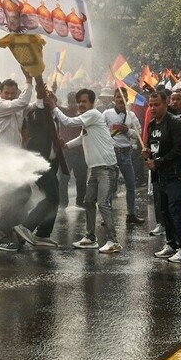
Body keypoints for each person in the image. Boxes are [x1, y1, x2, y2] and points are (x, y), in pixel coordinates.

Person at [51, 88, 123, 253]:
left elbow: (68, 122)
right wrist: (66, 145)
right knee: (89, 202)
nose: (81, 104)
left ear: (92, 103)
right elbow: (82, 137)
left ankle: (114, 241)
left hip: (106, 167)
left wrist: (54, 106)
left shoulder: (93, 114)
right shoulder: (88, 120)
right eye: (79, 102)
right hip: (95, 168)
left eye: (84, 101)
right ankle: (90, 238)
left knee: (102, 203)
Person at [0, 74, 34, 251]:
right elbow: (22, 102)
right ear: (1, 94)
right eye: (7, 93)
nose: (10, 96)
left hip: (11, 160)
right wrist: (29, 82)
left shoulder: (16, 109)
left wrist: (44, 96)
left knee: (22, 192)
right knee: (7, 194)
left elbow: (32, 106)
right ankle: (2, 236)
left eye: (13, 93)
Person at [144, 91, 181, 263]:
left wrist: (159, 162)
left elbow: (180, 149)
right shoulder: (151, 125)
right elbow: (152, 147)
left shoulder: (175, 123)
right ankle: (171, 244)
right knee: (164, 210)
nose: (153, 108)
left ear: (165, 104)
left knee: (176, 210)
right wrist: (147, 154)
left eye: (157, 105)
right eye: (151, 105)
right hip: (159, 175)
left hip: (176, 174)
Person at [13, 88, 61, 248]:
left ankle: (43, 233)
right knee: (53, 197)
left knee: (54, 197)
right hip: (38, 162)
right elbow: (39, 111)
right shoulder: (36, 115)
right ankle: (26, 226)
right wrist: (41, 98)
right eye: (45, 98)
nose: (49, 100)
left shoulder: (56, 116)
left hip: (51, 162)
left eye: (51, 97)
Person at [103, 87, 145, 224]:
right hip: (112, 152)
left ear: (127, 99)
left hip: (126, 154)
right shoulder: (107, 114)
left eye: (123, 97)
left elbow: (138, 134)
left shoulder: (131, 115)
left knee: (131, 185)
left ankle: (131, 214)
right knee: (110, 186)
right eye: (118, 97)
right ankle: (107, 216)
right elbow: (101, 131)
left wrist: (127, 130)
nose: (121, 100)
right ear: (114, 99)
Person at [57, 91, 88, 209]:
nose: (75, 105)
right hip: (66, 152)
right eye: (72, 102)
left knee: (81, 178)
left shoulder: (84, 114)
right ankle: (63, 204)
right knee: (64, 179)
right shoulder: (63, 112)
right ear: (68, 102)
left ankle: (80, 202)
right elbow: (52, 104)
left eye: (77, 102)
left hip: (81, 152)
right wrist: (53, 91)